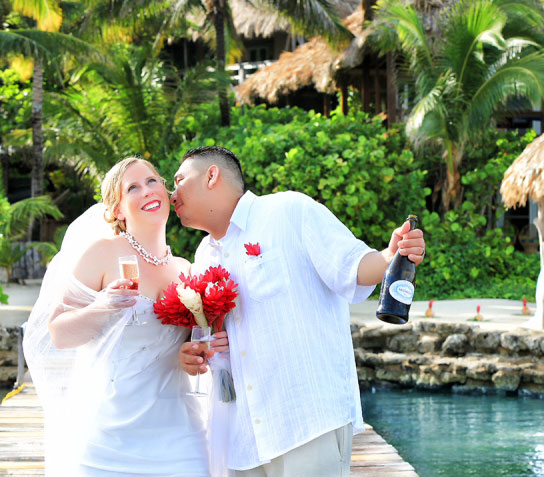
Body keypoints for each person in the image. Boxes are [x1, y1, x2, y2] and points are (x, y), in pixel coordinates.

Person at [173, 146, 425, 477]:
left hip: (305, 421)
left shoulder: (289, 211)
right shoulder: (204, 254)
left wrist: (390, 254)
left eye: (178, 180)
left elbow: (354, 268)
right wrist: (200, 352)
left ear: (211, 175)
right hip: (241, 436)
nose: (171, 193)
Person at [23, 158, 214, 476]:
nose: (148, 191)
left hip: (180, 433)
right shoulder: (103, 253)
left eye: (153, 181)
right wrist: (104, 307)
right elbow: (59, 334)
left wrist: (191, 354)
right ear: (118, 210)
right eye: (133, 188)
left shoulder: (186, 270)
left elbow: (185, 349)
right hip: (107, 436)